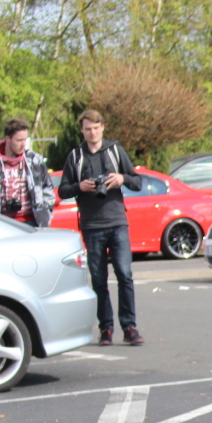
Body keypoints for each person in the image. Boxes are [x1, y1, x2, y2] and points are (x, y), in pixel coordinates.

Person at [58, 110, 143, 346]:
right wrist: (80, 186)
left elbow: (137, 182)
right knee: (98, 279)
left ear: (103, 128)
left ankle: (130, 327)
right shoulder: (76, 156)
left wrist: (121, 179)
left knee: (125, 274)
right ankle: (106, 328)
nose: (92, 132)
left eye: (95, 128)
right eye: (87, 129)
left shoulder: (115, 151)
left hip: (117, 223)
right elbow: (62, 190)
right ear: (82, 131)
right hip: (91, 225)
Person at [0, 119, 54, 227]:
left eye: (25, 140)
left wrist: (46, 214)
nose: (23, 144)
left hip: (33, 222)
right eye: (19, 140)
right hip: (1, 223)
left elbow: (47, 188)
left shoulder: (34, 160)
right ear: (8, 139)